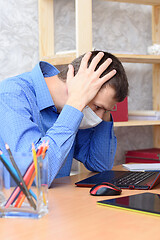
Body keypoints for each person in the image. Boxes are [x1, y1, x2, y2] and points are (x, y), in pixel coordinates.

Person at [0, 50, 128, 187]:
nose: (99, 118)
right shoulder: (12, 94)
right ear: (76, 86)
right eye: (97, 107)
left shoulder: (74, 109)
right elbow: (34, 176)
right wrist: (75, 103)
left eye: (106, 110)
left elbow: (100, 164)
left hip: (57, 200)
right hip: (19, 204)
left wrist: (105, 109)